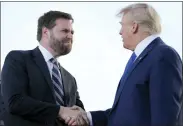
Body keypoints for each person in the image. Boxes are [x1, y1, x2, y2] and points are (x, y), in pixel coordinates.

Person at [67, 3, 183, 126]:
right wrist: (87, 117)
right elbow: (125, 114)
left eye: (122, 26)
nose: (120, 32)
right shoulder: (138, 59)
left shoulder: (162, 55)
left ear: (134, 27)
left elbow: (165, 117)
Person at [1, 10, 88, 126]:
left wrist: (80, 114)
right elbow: (15, 102)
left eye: (72, 32)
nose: (70, 36)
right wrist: (60, 111)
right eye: (65, 31)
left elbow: (78, 112)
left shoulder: (70, 79)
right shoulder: (18, 59)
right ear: (46, 32)